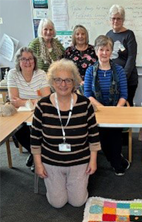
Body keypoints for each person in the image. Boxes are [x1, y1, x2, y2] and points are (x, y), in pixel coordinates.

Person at [30, 59, 100, 208]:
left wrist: (93, 161)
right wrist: (38, 164)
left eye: (68, 80)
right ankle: (59, 186)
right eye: (58, 80)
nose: (63, 84)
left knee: (78, 202)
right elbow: (35, 139)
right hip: (51, 161)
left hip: (79, 160)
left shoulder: (84, 104)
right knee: (58, 203)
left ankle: (73, 184)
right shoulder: (42, 106)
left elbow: (93, 135)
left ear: (74, 81)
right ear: (52, 82)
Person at [83, 35, 130, 176]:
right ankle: (118, 160)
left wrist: (115, 111)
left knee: (114, 136)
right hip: (97, 111)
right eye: (101, 49)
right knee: (102, 138)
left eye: (107, 50)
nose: (104, 53)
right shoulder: (90, 71)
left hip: (116, 110)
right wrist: (103, 110)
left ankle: (116, 162)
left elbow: (124, 95)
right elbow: (88, 94)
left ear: (111, 51)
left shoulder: (119, 70)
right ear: (96, 51)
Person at [7, 47, 51, 172]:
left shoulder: (41, 74)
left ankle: (36, 155)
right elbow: (13, 101)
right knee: (18, 130)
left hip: (40, 112)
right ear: (19, 62)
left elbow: (46, 100)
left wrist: (23, 102)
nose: (28, 62)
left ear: (35, 61)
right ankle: (37, 154)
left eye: (30, 59)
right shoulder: (13, 74)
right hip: (21, 115)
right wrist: (34, 101)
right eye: (24, 59)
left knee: (43, 128)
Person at [106, 4, 138, 106]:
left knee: (127, 106)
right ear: (110, 19)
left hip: (128, 79)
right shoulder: (108, 35)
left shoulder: (129, 35)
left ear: (123, 20)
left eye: (119, 19)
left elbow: (131, 57)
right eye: (113, 18)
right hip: (112, 79)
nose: (115, 21)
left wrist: (122, 78)